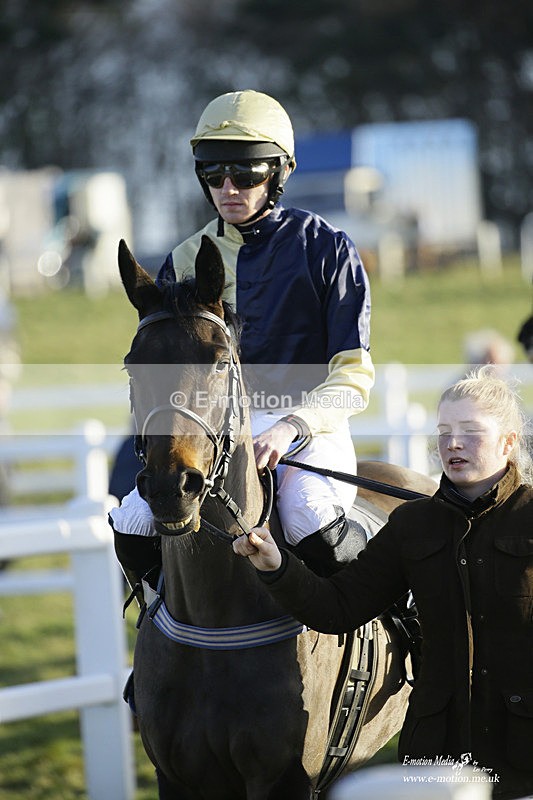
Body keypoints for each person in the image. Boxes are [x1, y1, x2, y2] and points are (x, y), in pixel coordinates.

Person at [111, 89, 376, 581]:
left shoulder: (328, 250)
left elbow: (354, 376)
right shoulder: (184, 258)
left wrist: (290, 427)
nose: (229, 188)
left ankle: (394, 611)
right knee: (131, 523)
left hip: (305, 430)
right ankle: (162, 637)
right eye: (215, 175)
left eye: (247, 174)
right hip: (211, 433)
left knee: (309, 522)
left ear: (277, 174)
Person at [233, 366, 533, 800]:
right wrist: (277, 566)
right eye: (444, 430)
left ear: (509, 442)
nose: (452, 443)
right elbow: (337, 608)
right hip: (436, 761)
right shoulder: (412, 525)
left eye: (470, 431)